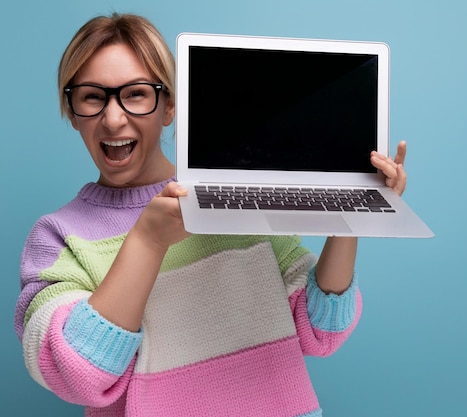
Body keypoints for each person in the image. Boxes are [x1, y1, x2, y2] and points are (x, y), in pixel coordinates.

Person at [14, 12, 408, 417]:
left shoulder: (241, 203)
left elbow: (322, 332)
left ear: (168, 107)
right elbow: (76, 375)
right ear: (71, 110)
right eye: (92, 96)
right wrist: (147, 242)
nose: (113, 119)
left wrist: (350, 214)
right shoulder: (57, 238)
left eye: (136, 94)